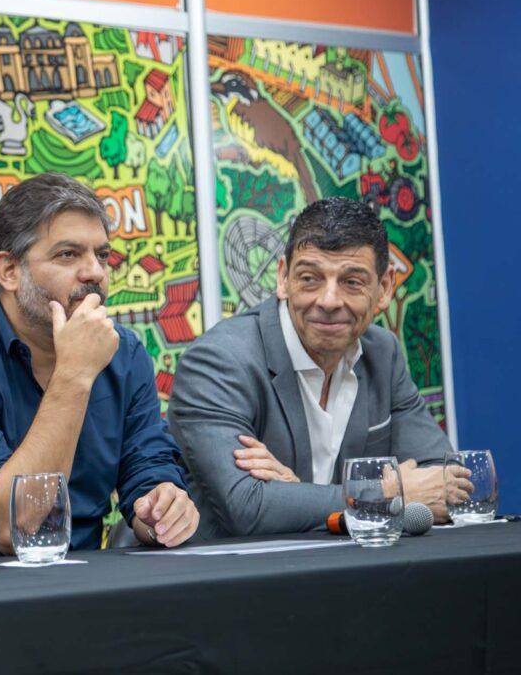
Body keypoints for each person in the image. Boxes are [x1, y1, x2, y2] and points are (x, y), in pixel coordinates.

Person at [0, 173, 198, 555]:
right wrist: (74, 374)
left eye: (102, 255)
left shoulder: (124, 354)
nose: (95, 272)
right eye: (68, 254)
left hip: (84, 580)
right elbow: (13, 526)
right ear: (9, 271)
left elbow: (148, 472)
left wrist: (162, 510)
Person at [168, 197, 468, 538]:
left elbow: (448, 481)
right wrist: (388, 492)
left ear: (384, 288)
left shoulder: (382, 353)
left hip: (341, 567)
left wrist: (298, 494)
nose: (328, 301)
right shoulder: (220, 360)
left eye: (352, 282)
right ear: (283, 277)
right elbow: (247, 508)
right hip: (223, 569)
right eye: (310, 278)